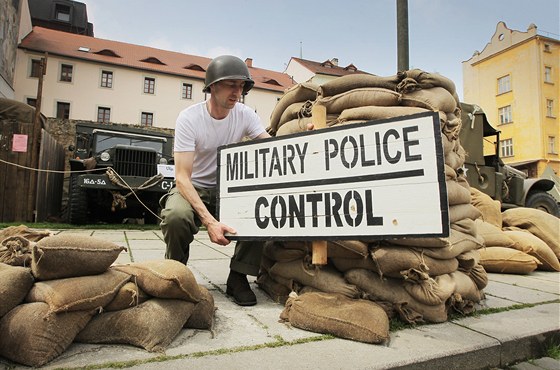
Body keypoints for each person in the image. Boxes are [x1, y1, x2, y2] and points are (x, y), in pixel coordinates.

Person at [159, 55, 269, 306]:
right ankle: (176, 275)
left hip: (226, 189)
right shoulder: (189, 118)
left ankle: (238, 277)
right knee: (176, 216)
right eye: (231, 84)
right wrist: (209, 222)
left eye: (241, 86)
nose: (237, 92)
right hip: (193, 187)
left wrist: (301, 138)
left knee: (261, 210)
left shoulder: (245, 115)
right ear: (213, 86)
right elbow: (182, 177)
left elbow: (270, 145)